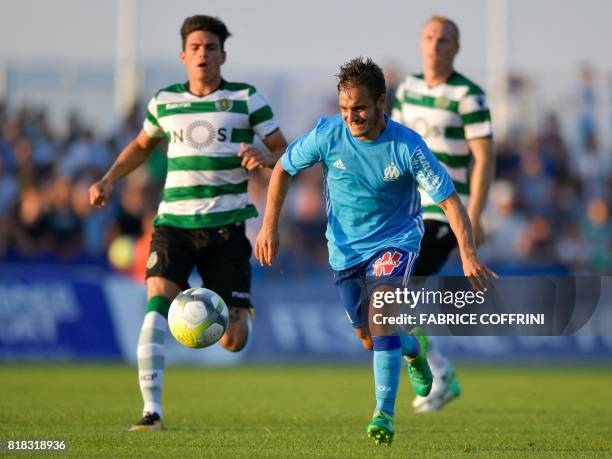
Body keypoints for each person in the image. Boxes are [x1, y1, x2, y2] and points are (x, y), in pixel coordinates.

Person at [255, 57, 496, 445]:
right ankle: (415, 346)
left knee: (382, 316)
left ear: (381, 102)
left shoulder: (407, 146)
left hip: (396, 241)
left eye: (360, 108)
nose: (352, 116)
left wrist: (467, 254)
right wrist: (269, 225)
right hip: (345, 250)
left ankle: (383, 416)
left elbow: (451, 202)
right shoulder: (327, 134)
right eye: (345, 108)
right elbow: (283, 168)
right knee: (369, 337)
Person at [89, 15, 288, 431]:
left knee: (233, 339)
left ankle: (228, 311)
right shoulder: (164, 101)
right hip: (173, 226)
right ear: (184, 55)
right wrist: (109, 178)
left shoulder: (247, 99)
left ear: (223, 55)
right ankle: (152, 412)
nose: (203, 53)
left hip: (227, 228)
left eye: (210, 47)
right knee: (155, 307)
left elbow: (283, 152)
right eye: (195, 47)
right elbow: (142, 146)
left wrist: (265, 158)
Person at [391, 15, 495, 413]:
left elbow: (484, 158)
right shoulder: (409, 89)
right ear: (421, 43)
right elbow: (395, 146)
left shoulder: (469, 95)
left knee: (398, 293)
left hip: (444, 212)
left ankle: (436, 371)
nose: (435, 45)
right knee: (392, 297)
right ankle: (435, 369)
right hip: (407, 211)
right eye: (430, 38)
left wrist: (476, 214)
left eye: (444, 40)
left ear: (456, 48)